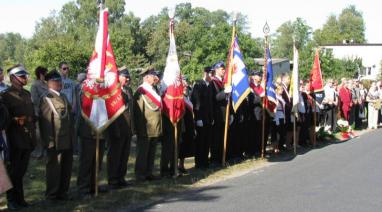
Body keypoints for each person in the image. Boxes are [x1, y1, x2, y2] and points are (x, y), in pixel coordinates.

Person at [1, 65, 36, 210]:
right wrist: (16, 120)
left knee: (21, 171)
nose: (25, 78)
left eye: (25, 76)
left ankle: (20, 199)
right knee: (13, 171)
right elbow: (3, 119)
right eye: (21, 76)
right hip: (14, 138)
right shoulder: (6, 95)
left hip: (28, 137)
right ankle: (12, 200)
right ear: (13, 78)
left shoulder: (27, 94)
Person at [39, 71, 73, 201]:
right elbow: (46, 123)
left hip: (67, 139)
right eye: (55, 81)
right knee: (54, 168)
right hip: (56, 140)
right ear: (49, 83)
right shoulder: (47, 98)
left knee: (66, 167)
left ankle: (63, 192)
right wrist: (50, 142)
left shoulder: (63, 96)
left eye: (59, 81)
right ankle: (52, 194)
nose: (59, 83)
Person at [106, 67, 135, 188]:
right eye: (125, 77)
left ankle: (121, 178)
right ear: (118, 77)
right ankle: (113, 180)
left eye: (128, 77)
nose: (127, 79)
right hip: (116, 128)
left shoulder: (128, 90)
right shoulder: (113, 91)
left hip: (127, 128)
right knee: (115, 155)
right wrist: (114, 129)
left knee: (124, 155)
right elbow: (111, 112)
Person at [134, 68, 162, 181]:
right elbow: (138, 111)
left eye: (154, 74)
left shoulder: (153, 89)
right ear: (146, 77)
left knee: (151, 151)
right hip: (146, 127)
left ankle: (149, 172)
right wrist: (140, 129)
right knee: (143, 152)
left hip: (155, 126)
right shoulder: (141, 91)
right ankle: (140, 174)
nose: (155, 77)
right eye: (152, 75)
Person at [191, 67, 214, 169]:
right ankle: (199, 162)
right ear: (206, 73)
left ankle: (205, 161)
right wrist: (198, 118)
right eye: (210, 73)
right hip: (201, 117)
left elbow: (211, 104)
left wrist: (212, 116)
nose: (212, 76)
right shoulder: (198, 84)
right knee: (200, 141)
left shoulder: (210, 85)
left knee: (207, 140)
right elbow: (196, 102)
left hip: (208, 117)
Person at [210, 61, 229, 166]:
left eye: (223, 69)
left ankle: (222, 158)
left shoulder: (224, 81)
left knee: (222, 137)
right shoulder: (213, 82)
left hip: (224, 113)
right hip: (217, 113)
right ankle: (214, 159)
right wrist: (224, 92)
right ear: (216, 69)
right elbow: (215, 97)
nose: (223, 70)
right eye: (222, 69)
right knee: (216, 138)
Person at [30, 66, 48, 158]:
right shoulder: (34, 85)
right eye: (45, 73)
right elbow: (34, 99)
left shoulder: (46, 84)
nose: (46, 75)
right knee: (39, 133)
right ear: (41, 74)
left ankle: (45, 150)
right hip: (38, 112)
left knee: (46, 132)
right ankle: (39, 151)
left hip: (47, 112)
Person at [178, 76, 195, 174]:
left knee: (185, 146)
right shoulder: (179, 98)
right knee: (180, 145)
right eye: (183, 87)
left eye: (186, 87)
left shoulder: (187, 98)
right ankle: (176, 166)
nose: (185, 88)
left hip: (189, 124)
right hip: (182, 124)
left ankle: (182, 165)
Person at [272, 84, 286, 153]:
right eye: (281, 89)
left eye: (282, 89)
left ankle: (279, 146)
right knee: (276, 132)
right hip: (276, 116)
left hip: (282, 116)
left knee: (281, 133)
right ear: (277, 90)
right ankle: (275, 148)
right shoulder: (275, 97)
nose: (282, 90)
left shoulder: (281, 97)